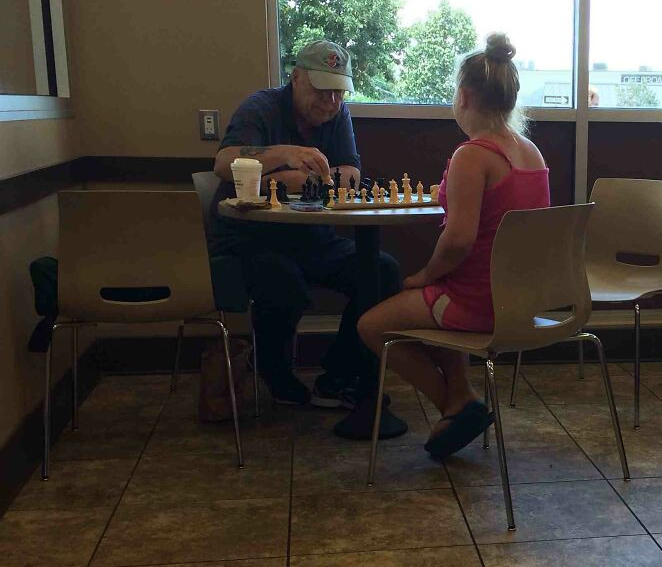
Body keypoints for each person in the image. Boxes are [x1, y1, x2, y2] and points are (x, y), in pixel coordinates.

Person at [358, 33, 550, 458]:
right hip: (521, 297)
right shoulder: (532, 152)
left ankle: (453, 404)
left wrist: (423, 275)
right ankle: (461, 395)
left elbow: (458, 240)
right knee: (432, 298)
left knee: (372, 324)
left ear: (463, 96)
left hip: (479, 301)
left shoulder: (472, 155)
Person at [210, 40, 401, 406]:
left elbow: (351, 171)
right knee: (283, 281)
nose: (330, 102)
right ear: (296, 77)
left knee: (381, 270)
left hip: (313, 238)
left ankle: (340, 375)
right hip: (250, 238)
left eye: (338, 92)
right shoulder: (260, 107)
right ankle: (276, 374)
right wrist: (285, 157)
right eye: (321, 89)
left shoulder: (337, 115)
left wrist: (307, 181)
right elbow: (224, 163)